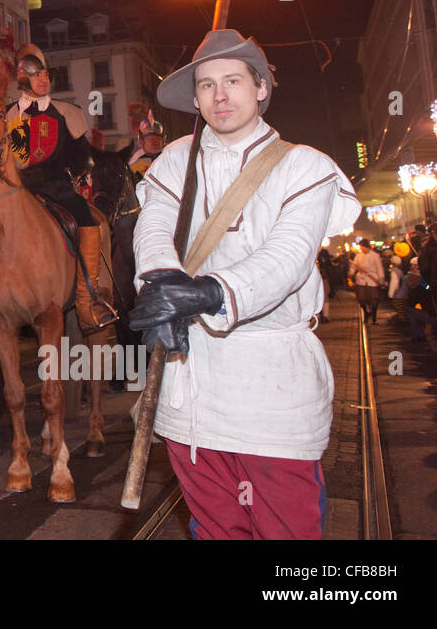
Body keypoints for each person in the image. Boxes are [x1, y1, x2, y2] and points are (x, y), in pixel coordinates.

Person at [130, 29, 361, 540]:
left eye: (232, 81)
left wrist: (211, 292)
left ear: (260, 88)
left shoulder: (307, 167)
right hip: (189, 381)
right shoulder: (174, 159)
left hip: (271, 386)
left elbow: (287, 258)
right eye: (207, 85)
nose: (219, 95)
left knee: (287, 533)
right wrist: (163, 284)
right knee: (215, 528)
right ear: (194, 99)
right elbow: (154, 226)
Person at [5, 43, 115, 332]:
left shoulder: (67, 112)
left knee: (87, 218)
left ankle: (87, 299)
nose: (45, 80)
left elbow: (82, 156)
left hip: (55, 189)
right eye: (37, 75)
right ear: (23, 80)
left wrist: (68, 174)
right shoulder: (5, 116)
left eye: (47, 75)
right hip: (14, 192)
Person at [351, 239, 386, 324]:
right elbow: (353, 266)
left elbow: (379, 268)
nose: (362, 249)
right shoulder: (358, 256)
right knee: (361, 298)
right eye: (361, 247)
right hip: (362, 279)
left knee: (374, 299)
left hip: (373, 279)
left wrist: (381, 279)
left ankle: (374, 317)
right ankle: (366, 313)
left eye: (364, 247)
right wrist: (351, 273)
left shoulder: (375, 256)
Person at [128, 116, 166, 181]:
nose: (155, 141)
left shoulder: (169, 157)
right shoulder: (135, 165)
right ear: (141, 141)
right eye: (150, 139)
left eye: (158, 138)